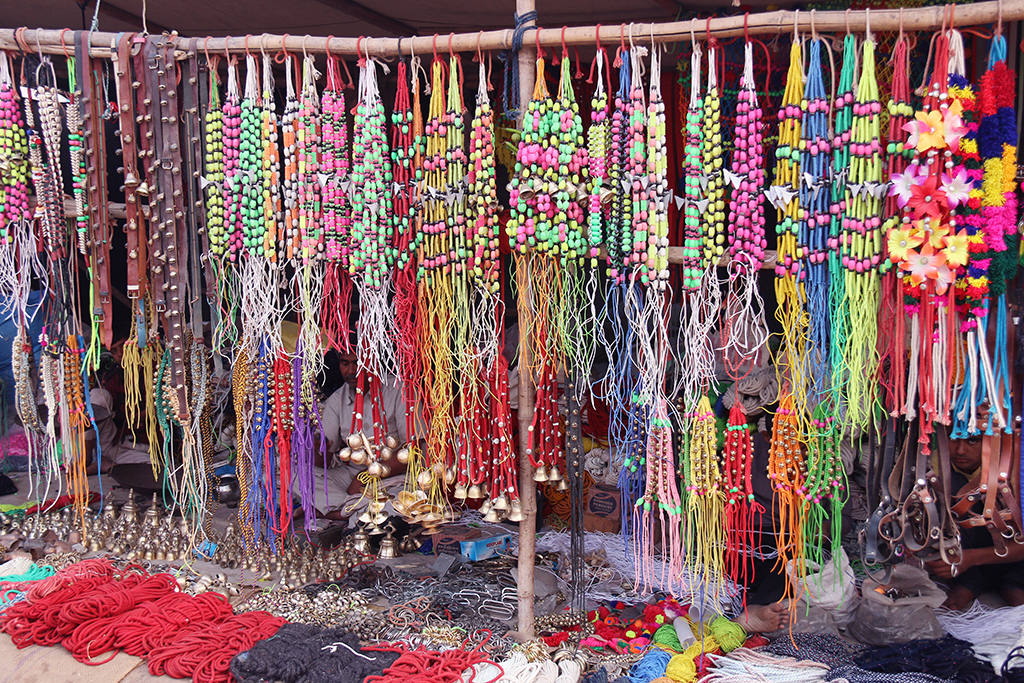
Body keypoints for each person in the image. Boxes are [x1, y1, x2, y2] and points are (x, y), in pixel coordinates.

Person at [300, 349, 414, 523]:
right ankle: (353, 510)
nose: (352, 371)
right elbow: (324, 456)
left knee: (399, 506)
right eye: (345, 363)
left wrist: (365, 477)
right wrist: (314, 449)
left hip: (395, 478)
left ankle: (337, 511)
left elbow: (413, 450)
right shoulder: (337, 400)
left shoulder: (399, 391)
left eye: (357, 363)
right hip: (351, 477)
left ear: (373, 362)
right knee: (298, 474)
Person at [925, 430, 1024, 610]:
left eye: (973, 440)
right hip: (966, 558)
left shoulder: (1015, 469)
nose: (961, 450)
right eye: (954, 439)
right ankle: (967, 583)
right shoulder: (934, 468)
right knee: (949, 485)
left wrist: (971, 558)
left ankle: (1015, 584)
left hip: (1013, 555)